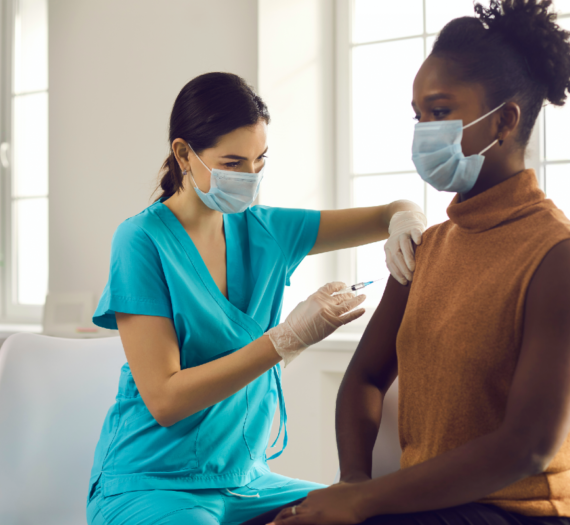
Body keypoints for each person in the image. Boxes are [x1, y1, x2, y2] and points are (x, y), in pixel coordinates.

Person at [248, 0, 570, 524]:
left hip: (520, 511)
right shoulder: (429, 246)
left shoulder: (559, 258)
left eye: (439, 112)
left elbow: (528, 446)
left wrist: (364, 503)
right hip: (423, 505)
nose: (423, 131)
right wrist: (353, 482)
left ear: (504, 119)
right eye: (418, 116)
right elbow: (365, 378)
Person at [86, 72, 428, 525]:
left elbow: (390, 212)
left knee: (366, 515)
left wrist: (407, 220)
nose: (250, 178)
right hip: (153, 481)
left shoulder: (267, 229)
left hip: (248, 481)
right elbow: (166, 400)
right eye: (232, 163)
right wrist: (287, 338)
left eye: (259, 161)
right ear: (183, 154)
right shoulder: (141, 240)